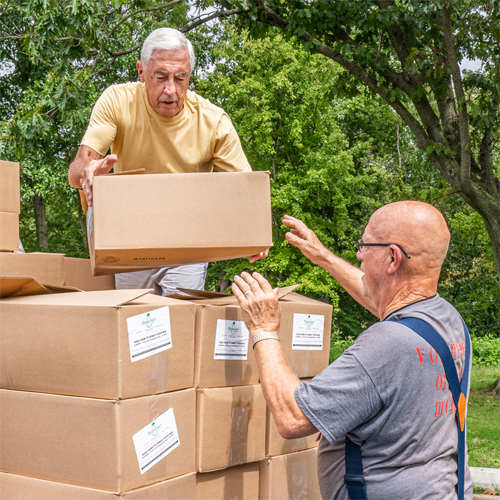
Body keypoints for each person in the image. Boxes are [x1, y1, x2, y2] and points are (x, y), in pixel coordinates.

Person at [231, 201, 472, 500]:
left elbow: (293, 417)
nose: (358, 253)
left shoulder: (385, 346)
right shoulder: (446, 320)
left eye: (365, 244)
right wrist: (323, 257)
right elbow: (383, 300)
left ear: (392, 257)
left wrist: (262, 328)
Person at [68, 27, 267, 295]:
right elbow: (77, 170)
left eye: (180, 78)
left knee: (179, 317)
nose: (171, 90)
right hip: (129, 234)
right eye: (160, 76)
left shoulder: (214, 122)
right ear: (141, 71)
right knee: (133, 318)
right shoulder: (117, 101)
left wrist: (254, 234)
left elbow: (246, 192)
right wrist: (88, 173)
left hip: (187, 238)